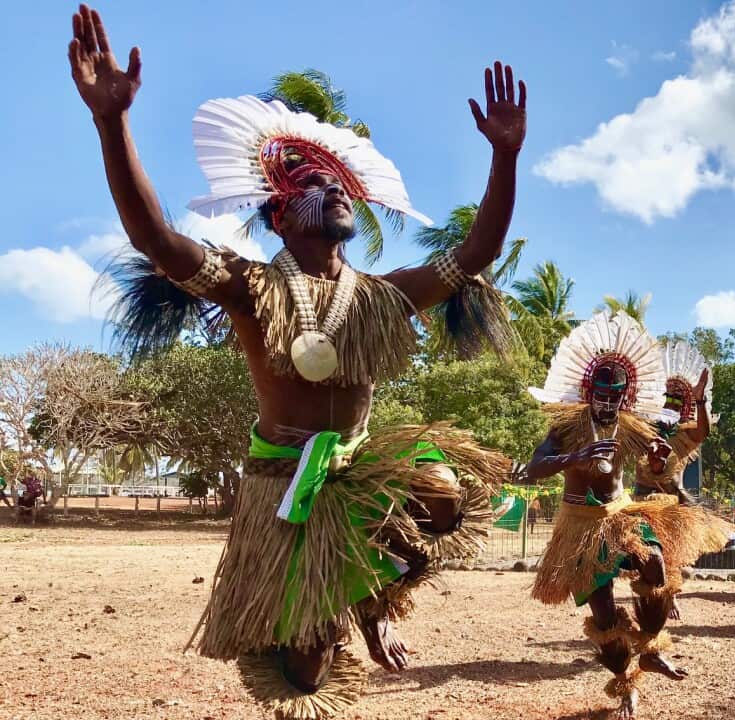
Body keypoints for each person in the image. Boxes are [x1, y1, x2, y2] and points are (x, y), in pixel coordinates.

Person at [70, 6, 524, 717]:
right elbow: (158, 240)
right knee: (304, 665)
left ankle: (375, 593)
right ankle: (341, 618)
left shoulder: (381, 296)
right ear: (279, 216)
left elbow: (476, 256)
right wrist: (110, 121)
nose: (336, 188)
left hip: (359, 466)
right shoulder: (252, 286)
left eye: (342, 184)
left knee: (441, 490)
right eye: (314, 184)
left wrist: (504, 157)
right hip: (283, 484)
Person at [523, 312, 729, 719]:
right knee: (603, 615)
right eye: (601, 394)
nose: (607, 402)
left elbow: (660, 456)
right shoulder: (566, 426)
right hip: (580, 525)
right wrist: (574, 457)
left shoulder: (632, 425)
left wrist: (657, 457)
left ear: (625, 395)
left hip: (621, 514)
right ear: (588, 390)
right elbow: (534, 468)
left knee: (654, 563)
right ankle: (626, 684)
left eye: (615, 395)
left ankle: (650, 648)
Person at [634, 341, 713, 621]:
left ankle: (669, 596)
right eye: (669, 397)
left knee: (670, 553)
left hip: (669, 503)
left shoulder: (684, 434)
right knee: (644, 553)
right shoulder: (642, 430)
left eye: (680, 399)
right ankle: (651, 595)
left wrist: (700, 399)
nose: (673, 402)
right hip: (641, 500)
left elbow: (703, 431)